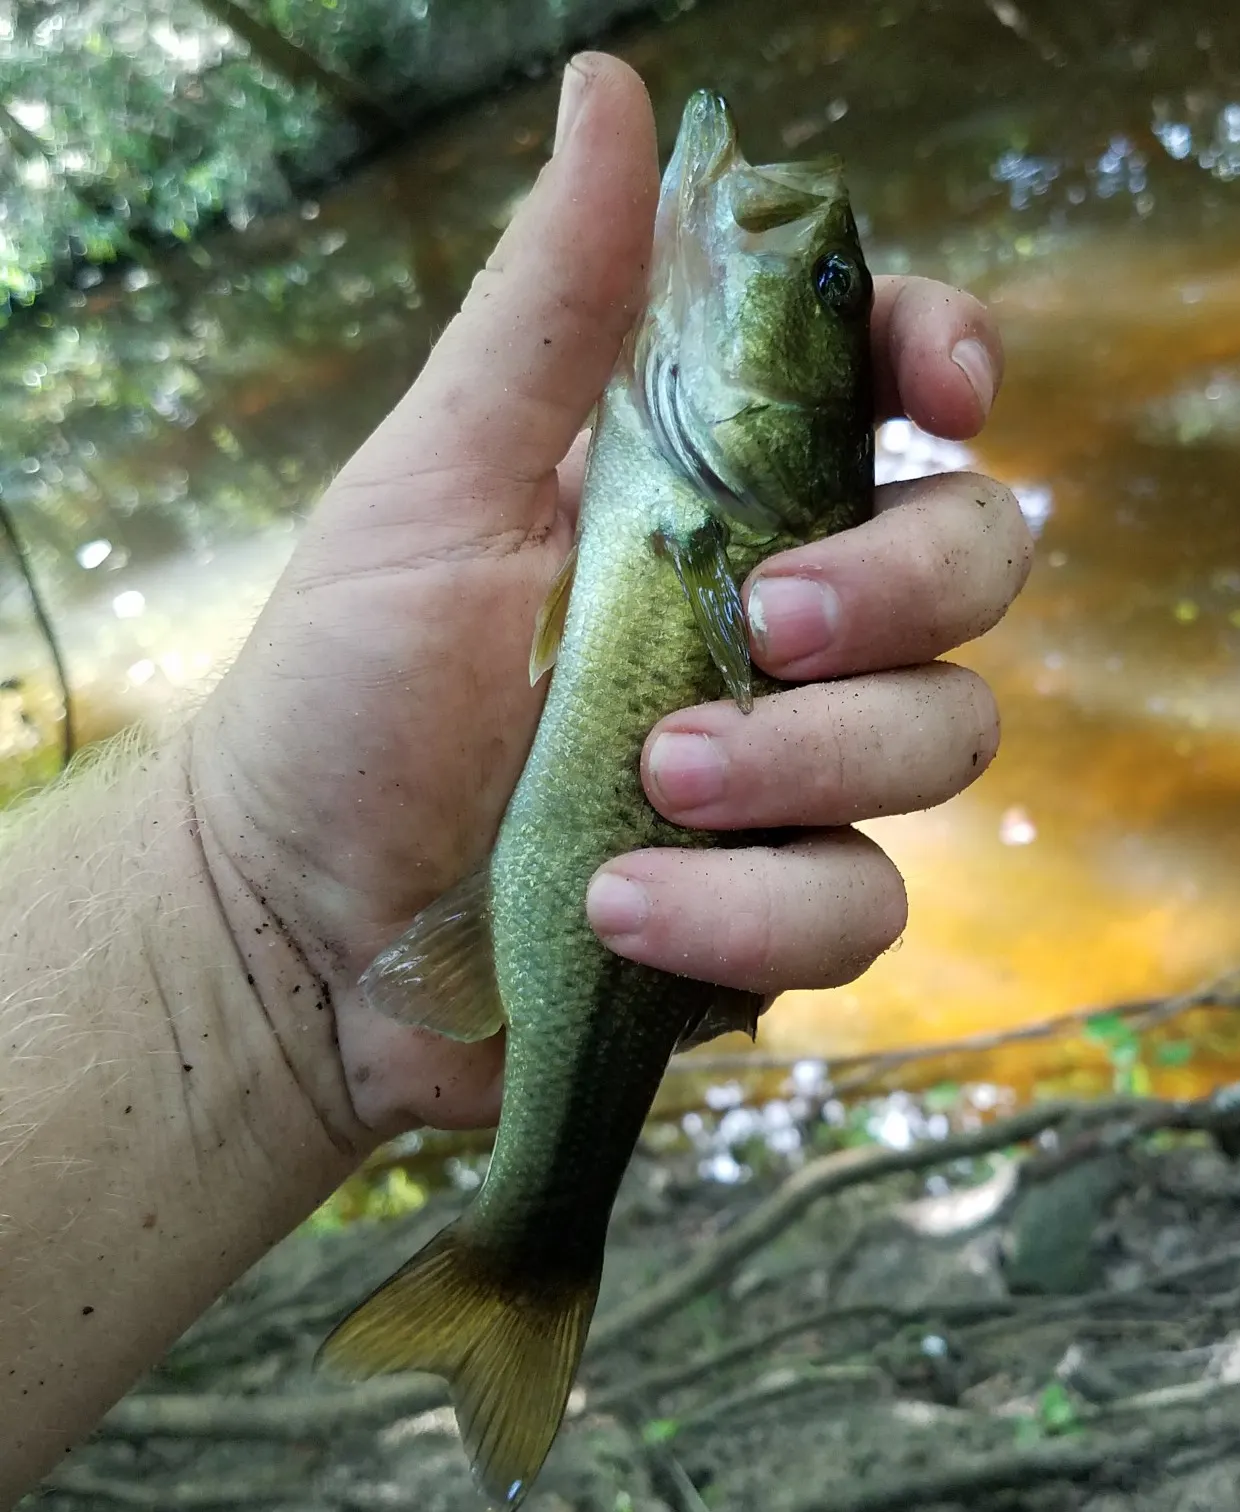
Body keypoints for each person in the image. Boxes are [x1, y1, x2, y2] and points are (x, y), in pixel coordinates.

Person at [0, 52, 1030, 1501]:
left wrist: (247, 943)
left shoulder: (692, 476)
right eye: (832, 298)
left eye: (826, 296)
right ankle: (531, 1256)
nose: (812, 253)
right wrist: (245, 908)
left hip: (490, 936)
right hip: (470, 916)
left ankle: (534, 1250)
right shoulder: (676, 470)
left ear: (800, 422)